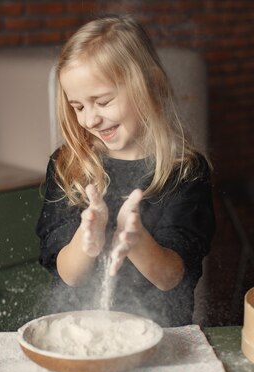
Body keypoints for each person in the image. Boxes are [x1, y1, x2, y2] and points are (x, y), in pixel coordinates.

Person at [35, 15, 215, 327]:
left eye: (102, 101)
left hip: (161, 336)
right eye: (77, 107)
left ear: (150, 85)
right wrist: (87, 239)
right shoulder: (68, 167)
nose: (90, 119)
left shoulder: (184, 172)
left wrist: (135, 241)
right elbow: (69, 275)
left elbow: (171, 277)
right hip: (81, 333)